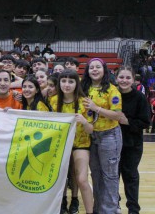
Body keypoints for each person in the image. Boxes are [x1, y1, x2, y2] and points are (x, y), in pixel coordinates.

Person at [81, 58, 123, 214]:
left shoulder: (112, 90)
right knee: (96, 174)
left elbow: (117, 115)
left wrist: (96, 108)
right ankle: (99, 209)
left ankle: (111, 210)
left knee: (110, 176)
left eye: (98, 67)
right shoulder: (83, 87)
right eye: (91, 67)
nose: (94, 69)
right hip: (91, 136)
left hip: (109, 136)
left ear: (104, 70)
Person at [51, 70, 93, 214]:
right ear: (59, 83)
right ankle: (62, 202)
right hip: (60, 144)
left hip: (80, 144)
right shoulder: (53, 100)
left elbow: (91, 130)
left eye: (71, 81)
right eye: (63, 81)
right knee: (60, 176)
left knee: (81, 178)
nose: (67, 85)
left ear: (77, 83)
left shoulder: (85, 102)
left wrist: (85, 122)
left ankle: (85, 207)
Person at [116, 66, 150, 214]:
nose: (124, 80)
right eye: (121, 77)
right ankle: (114, 204)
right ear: (116, 78)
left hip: (132, 144)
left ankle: (133, 208)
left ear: (133, 79)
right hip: (112, 143)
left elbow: (145, 122)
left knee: (130, 176)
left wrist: (127, 122)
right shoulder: (112, 94)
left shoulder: (140, 98)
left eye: (127, 78)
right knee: (112, 176)